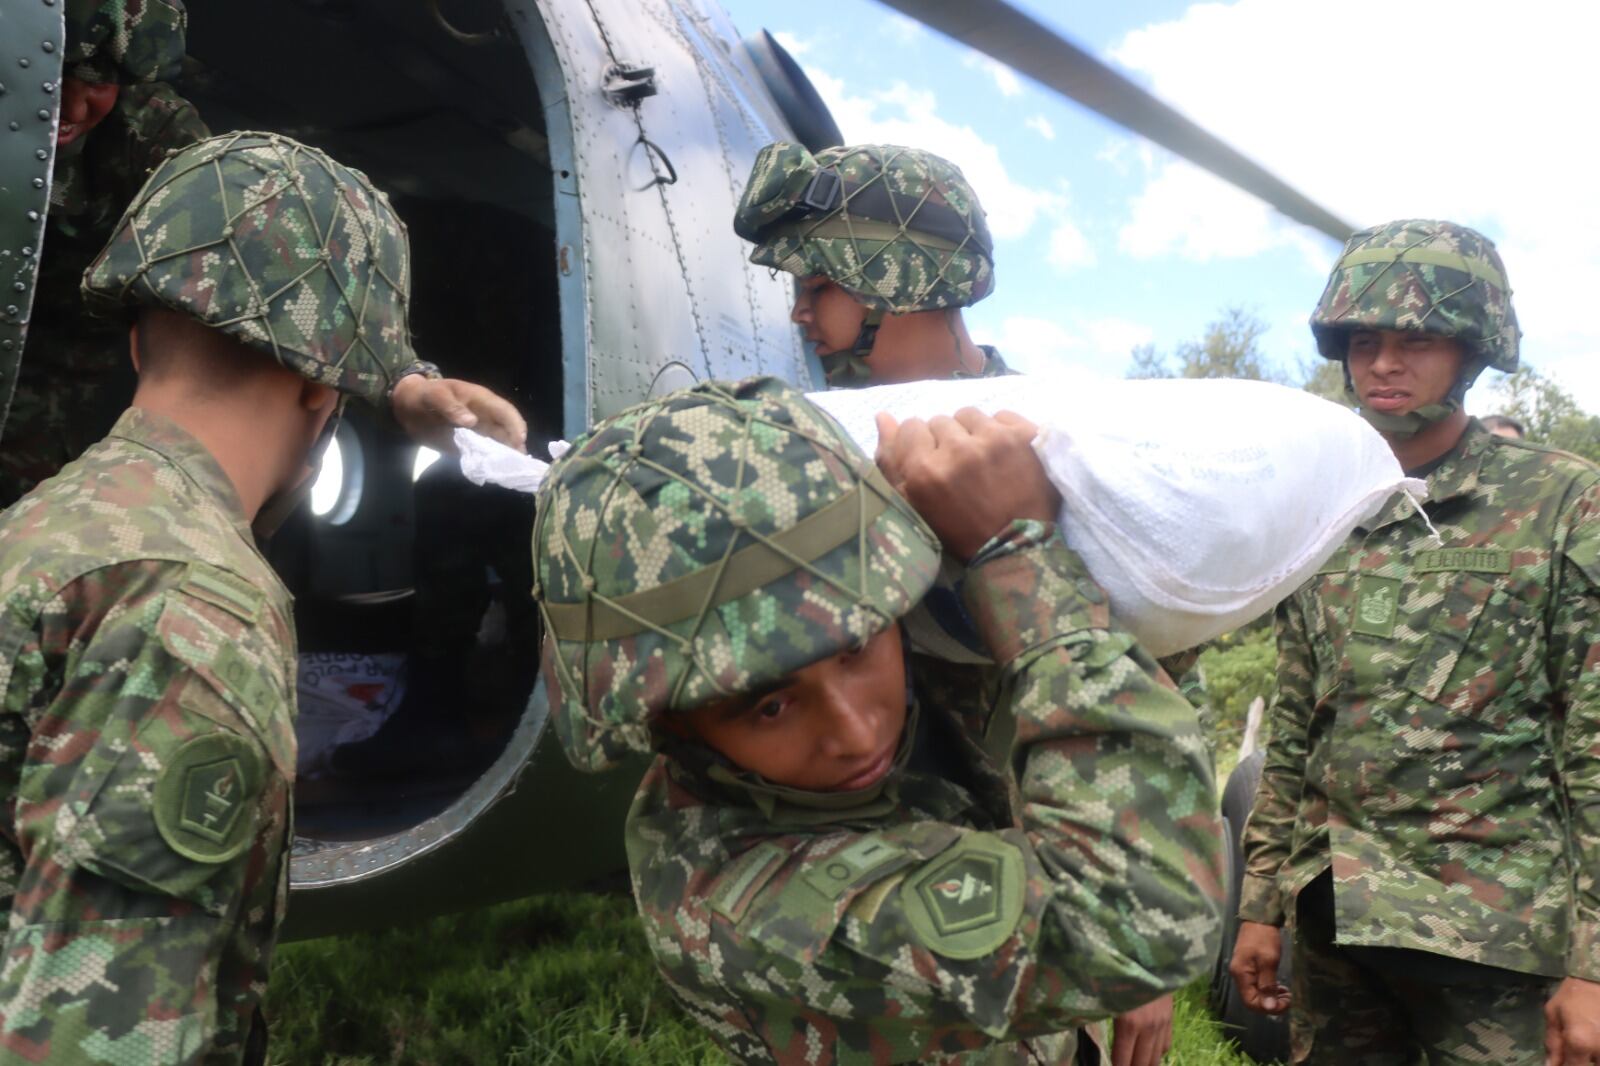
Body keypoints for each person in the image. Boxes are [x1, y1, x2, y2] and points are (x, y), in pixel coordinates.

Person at [532, 376, 1224, 1064]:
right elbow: (1141, 919)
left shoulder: (892, 671)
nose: (859, 733)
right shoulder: (749, 912)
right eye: (770, 707)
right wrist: (1019, 558)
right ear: (671, 724)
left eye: (857, 644)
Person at [735, 140, 1177, 1063]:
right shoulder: (811, 448)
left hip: (1045, 895)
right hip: (869, 908)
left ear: (894, 275)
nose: (800, 311)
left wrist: (1153, 961)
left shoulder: (1057, 447)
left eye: (820, 283)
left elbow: (1155, 693)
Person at [0, 131, 423, 1063]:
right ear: (323, 392)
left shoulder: (47, 525)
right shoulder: (198, 609)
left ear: (140, 334)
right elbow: (93, 1034)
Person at [1227, 219, 1600, 1065]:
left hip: (1496, 940)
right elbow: (1293, 728)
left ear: (1472, 353)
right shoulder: (1326, 502)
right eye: (1365, 340)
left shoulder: (1561, 501)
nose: (1384, 363)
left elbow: (1594, 743)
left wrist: (1594, 966)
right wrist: (1259, 907)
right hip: (1336, 924)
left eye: (1417, 340)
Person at [0, 0, 526, 511]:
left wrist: (403, 386)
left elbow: (254, 246)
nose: (71, 106)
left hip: (56, 393)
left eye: (98, 81)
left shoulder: (147, 132)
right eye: (59, 71)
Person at [734, 142, 1008, 388]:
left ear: (900, 282)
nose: (799, 313)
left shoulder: (1034, 431)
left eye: (818, 288)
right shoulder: (834, 426)